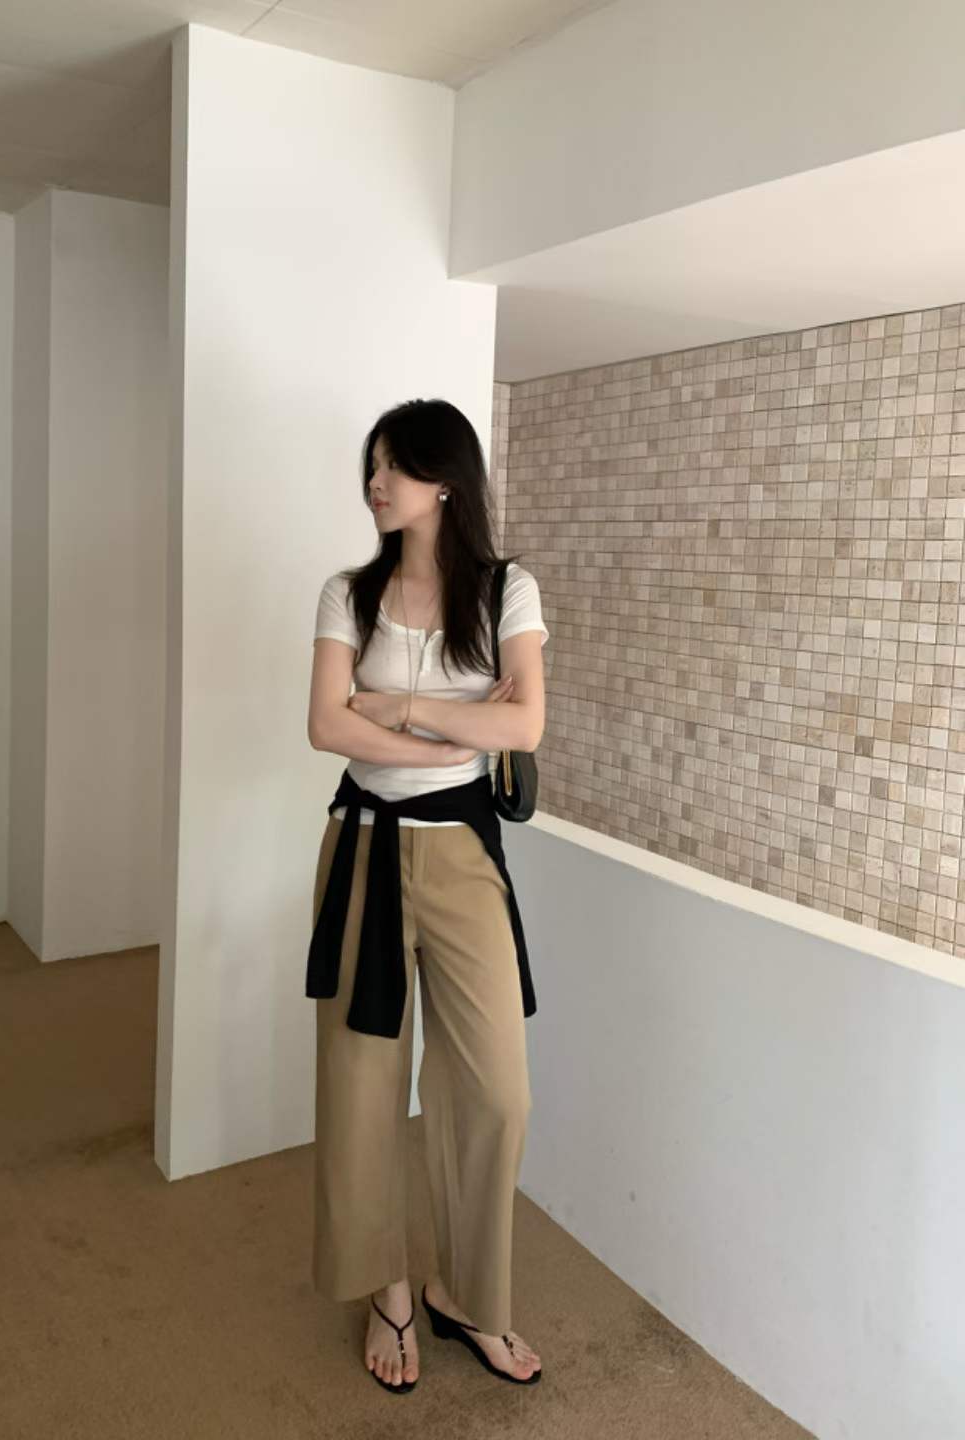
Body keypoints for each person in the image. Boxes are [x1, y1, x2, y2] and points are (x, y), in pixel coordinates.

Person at [306, 397, 548, 1392]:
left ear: (445, 481)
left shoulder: (505, 591)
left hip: (461, 857)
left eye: (395, 467)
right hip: (363, 848)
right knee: (362, 1082)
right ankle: (389, 1291)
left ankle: (466, 1294)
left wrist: (399, 708)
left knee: (495, 1090)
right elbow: (327, 726)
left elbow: (524, 725)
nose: (376, 484)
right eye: (372, 466)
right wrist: (453, 731)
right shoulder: (347, 594)